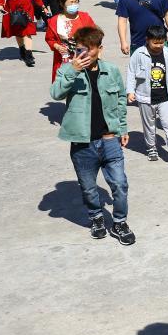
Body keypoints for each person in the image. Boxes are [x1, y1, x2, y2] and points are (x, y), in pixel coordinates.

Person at [49, 25, 135, 244]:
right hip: (82, 143)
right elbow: (56, 93)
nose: (84, 53)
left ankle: (120, 222)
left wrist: (122, 128)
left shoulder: (111, 71)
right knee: (88, 188)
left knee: (120, 184)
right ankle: (96, 217)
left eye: (89, 48)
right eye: (80, 49)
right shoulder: (68, 70)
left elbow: (120, 101)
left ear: (100, 49)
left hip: (109, 139)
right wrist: (73, 70)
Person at [127, 25, 168, 169]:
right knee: (149, 125)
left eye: (161, 42)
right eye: (155, 42)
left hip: (165, 97)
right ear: (147, 40)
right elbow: (131, 73)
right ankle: (151, 147)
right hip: (145, 98)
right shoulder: (139, 54)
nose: (158, 46)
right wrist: (130, 91)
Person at [45, 0, 96, 82]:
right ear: (62, 4)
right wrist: (57, 46)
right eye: (71, 2)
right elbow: (50, 39)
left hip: (84, 58)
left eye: (76, 2)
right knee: (65, 83)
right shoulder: (54, 20)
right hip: (63, 60)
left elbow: (95, 34)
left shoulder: (85, 17)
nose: (74, 5)